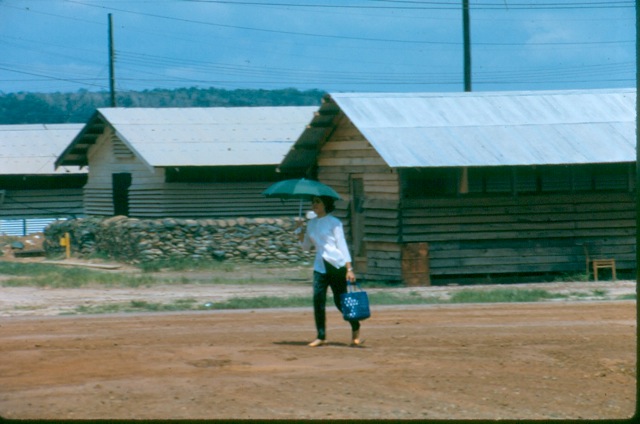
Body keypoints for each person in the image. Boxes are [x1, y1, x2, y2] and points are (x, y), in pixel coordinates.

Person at [298, 195, 362, 347]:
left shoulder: (334, 223)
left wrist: (349, 269)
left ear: (326, 204)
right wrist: (300, 234)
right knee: (318, 300)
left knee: (340, 302)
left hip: (336, 265)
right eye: (313, 202)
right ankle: (321, 336)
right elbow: (306, 247)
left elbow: (342, 245)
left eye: (317, 202)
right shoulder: (311, 224)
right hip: (320, 266)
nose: (314, 204)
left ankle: (355, 327)